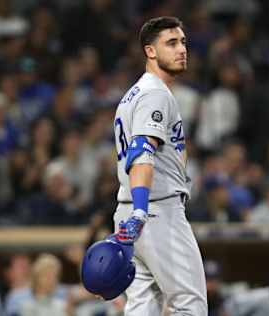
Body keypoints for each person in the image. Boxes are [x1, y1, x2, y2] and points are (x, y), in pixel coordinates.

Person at [110, 16, 207, 315]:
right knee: (190, 306)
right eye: (171, 43)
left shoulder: (134, 93)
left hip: (130, 212)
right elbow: (141, 152)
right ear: (150, 51)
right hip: (154, 210)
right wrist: (141, 210)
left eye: (183, 42)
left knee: (143, 308)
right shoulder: (154, 93)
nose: (182, 49)